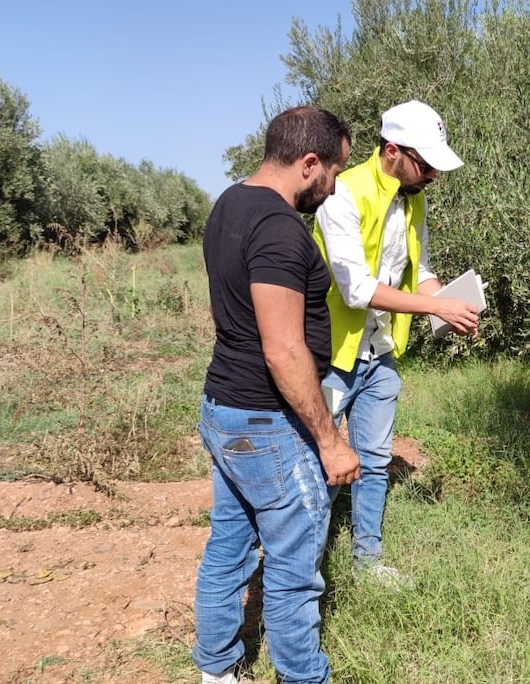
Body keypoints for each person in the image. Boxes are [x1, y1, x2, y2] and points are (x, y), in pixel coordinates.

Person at [193, 106, 359, 684]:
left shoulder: (228, 204)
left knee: (229, 548)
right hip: (266, 423)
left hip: (223, 409)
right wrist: (330, 441)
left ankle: (216, 670)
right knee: (293, 569)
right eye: (333, 172)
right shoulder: (280, 228)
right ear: (309, 163)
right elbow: (283, 350)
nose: (333, 186)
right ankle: (304, 677)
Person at [313, 100, 479, 585]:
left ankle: (368, 563)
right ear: (391, 151)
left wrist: (455, 303)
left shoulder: (415, 197)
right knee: (322, 461)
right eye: (425, 164)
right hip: (332, 354)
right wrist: (435, 308)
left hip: (379, 351)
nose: (432, 175)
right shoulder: (342, 193)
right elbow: (357, 290)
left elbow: (418, 271)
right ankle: (306, 566)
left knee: (376, 460)